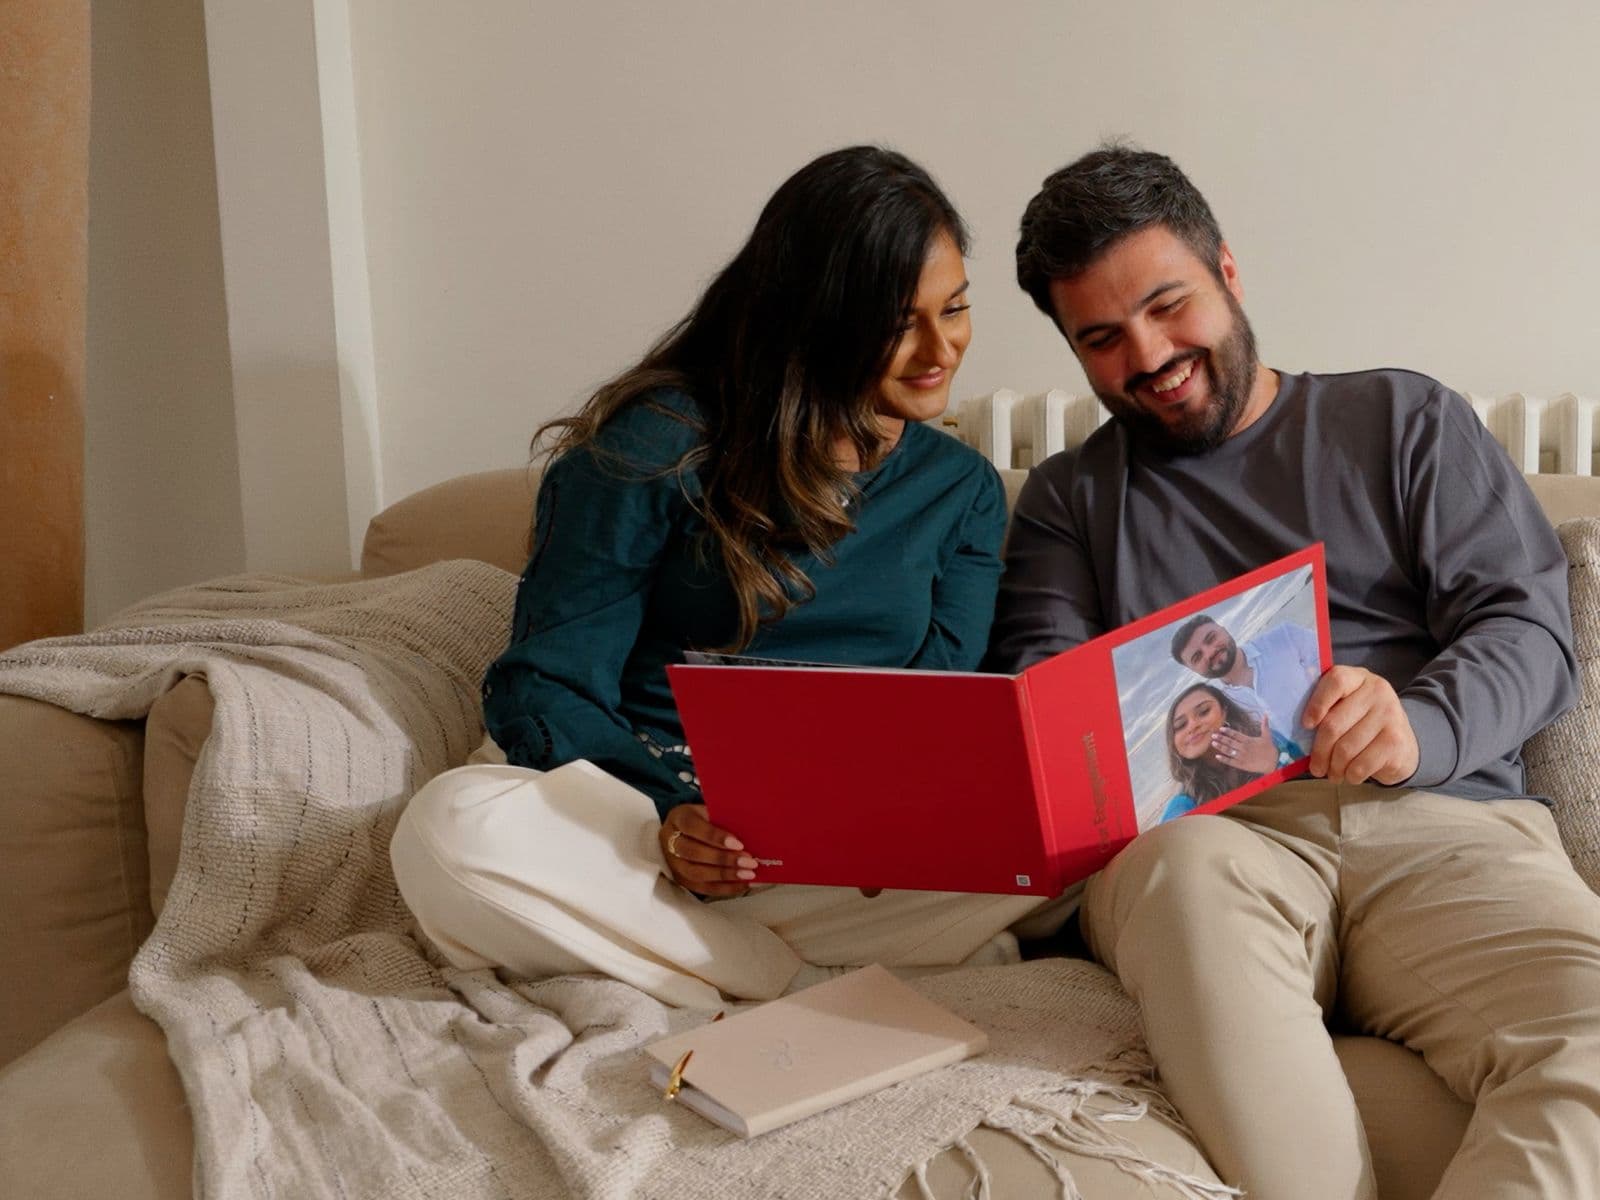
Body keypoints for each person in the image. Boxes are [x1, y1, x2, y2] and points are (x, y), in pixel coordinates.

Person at [987, 141, 1600, 1199]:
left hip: (1444, 832)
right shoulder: (1068, 499)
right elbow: (1050, 717)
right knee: (1180, 873)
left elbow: (1529, 632)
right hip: (1216, 851)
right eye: (1100, 338)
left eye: (1168, 305)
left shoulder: (1400, 421)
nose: (1147, 355)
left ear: (1227, 270)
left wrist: (1418, 721)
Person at [390, 146, 1050, 1012]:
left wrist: (875, 825)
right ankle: (792, 978)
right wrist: (670, 820)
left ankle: (677, 960)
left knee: (1065, 854)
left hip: (829, 850)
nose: (940, 349)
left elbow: (934, 700)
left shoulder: (960, 491)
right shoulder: (659, 446)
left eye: (955, 309)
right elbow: (547, 681)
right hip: (635, 818)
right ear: (815, 319)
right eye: (898, 323)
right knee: (449, 835)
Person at [1169, 612, 1318, 750]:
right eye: (1197, 657)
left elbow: (1336, 662)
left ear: (1224, 630)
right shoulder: (1222, 710)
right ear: (1194, 670)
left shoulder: (1285, 637)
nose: (1209, 653)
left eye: (1211, 638)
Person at [1159, 682, 1297, 823]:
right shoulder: (1185, 803)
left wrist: (1274, 762)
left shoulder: (1266, 741)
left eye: (1204, 711)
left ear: (1224, 711)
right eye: (1181, 725)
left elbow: (1313, 781)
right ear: (1174, 744)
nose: (1193, 725)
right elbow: (1168, 837)